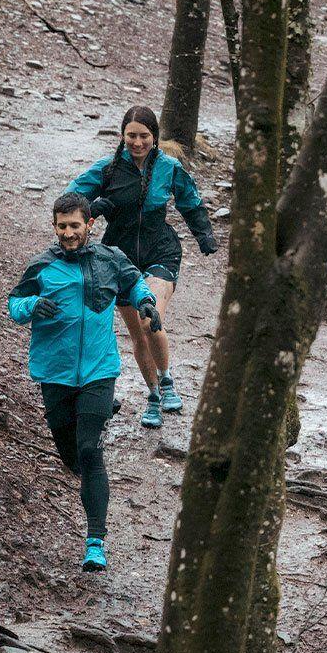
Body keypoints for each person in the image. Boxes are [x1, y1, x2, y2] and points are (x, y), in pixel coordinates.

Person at [7, 193, 162, 571]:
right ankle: (95, 416)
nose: (69, 232)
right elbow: (14, 305)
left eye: (75, 225)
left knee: (91, 452)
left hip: (98, 369)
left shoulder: (109, 259)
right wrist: (31, 307)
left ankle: (95, 542)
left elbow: (135, 283)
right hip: (54, 372)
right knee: (71, 454)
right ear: (55, 226)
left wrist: (146, 302)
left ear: (89, 225)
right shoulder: (42, 266)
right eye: (62, 226)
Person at [65, 105, 219, 429]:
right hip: (118, 259)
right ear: (123, 136)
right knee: (138, 335)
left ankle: (166, 380)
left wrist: (205, 235)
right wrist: (94, 206)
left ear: (154, 137)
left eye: (144, 136)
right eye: (131, 135)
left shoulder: (168, 167)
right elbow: (70, 200)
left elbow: (189, 200)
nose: (137, 142)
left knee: (152, 320)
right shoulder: (107, 171)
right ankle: (152, 397)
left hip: (159, 249)